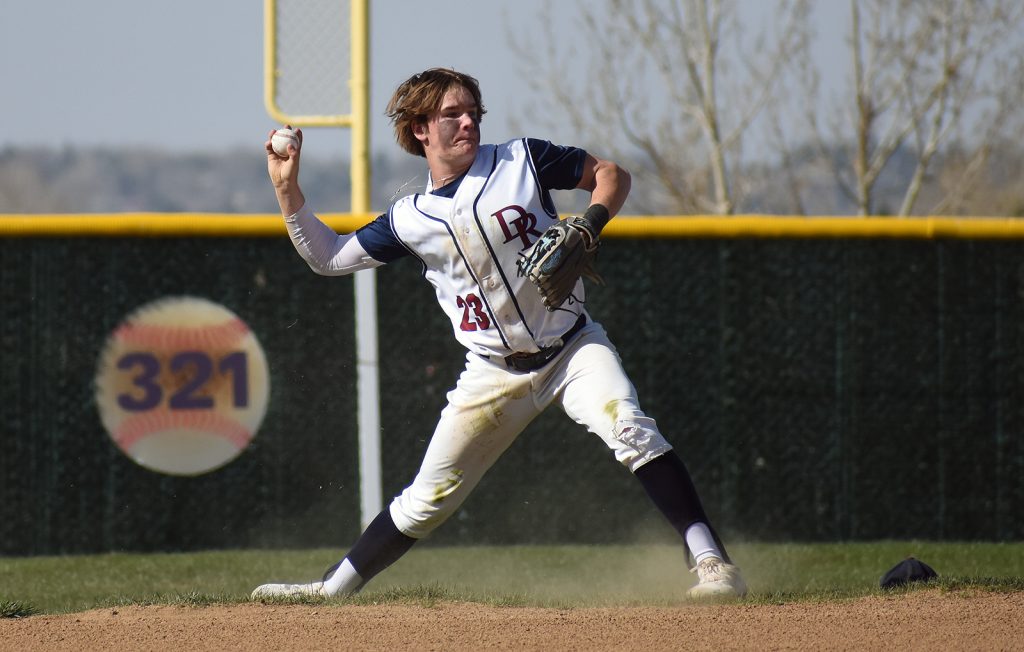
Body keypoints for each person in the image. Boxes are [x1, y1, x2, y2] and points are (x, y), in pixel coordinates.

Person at [251, 68, 747, 601]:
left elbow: (611, 174)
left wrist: (591, 221)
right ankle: (332, 590)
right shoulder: (409, 219)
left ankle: (713, 563)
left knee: (630, 428)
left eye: (473, 112)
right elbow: (328, 258)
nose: (469, 122)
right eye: (452, 115)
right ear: (420, 128)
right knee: (428, 498)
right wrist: (287, 189)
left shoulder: (522, 161)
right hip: (492, 371)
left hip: (573, 349)